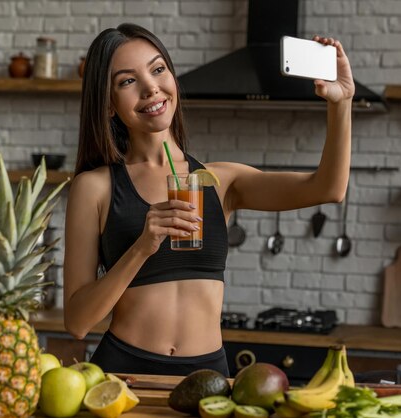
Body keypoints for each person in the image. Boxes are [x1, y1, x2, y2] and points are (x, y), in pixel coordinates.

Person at [63, 23, 354, 377]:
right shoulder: (94, 188)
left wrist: (342, 104)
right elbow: (77, 323)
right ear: (108, 105)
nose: (151, 87)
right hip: (124, 375)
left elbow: (328, 188)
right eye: (127, 81)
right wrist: (142, 246)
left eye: (158, 70)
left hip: (207, 375)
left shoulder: (220, 181)